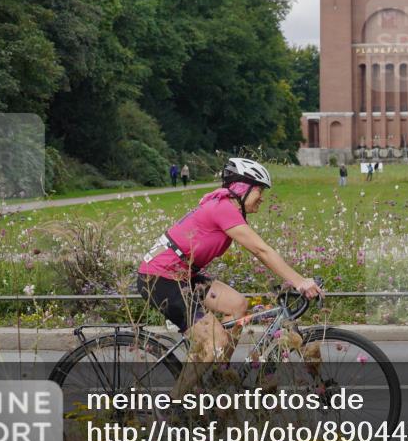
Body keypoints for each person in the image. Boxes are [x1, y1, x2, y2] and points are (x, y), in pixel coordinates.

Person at [137, 158, 322, 396]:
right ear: (242, 189)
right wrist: (299, 281)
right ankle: (174, 408)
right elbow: (261, 250)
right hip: (160, 279)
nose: (262, 197)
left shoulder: (225, 208)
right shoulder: (222, 208)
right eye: (259, 190)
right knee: (215, 342)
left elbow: (259, 251)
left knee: (238, 305)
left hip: (182, 276)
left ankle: (218, 379)